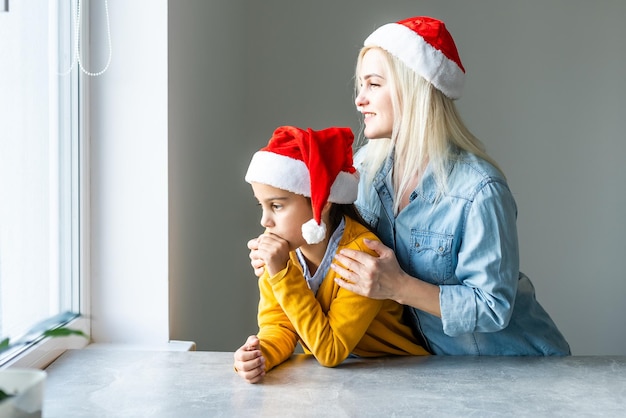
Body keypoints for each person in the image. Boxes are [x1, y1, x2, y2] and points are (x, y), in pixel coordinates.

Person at [327, 16, 571, 355]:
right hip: (440, 371)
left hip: (516, 369)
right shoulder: (365, 170)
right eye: (360, 85)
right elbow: (327, 246)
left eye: (374, 84)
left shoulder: (479, 190)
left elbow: (492, 306)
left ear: (413, 89)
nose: (359, 100)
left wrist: (399, 286)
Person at [234, 126, 429, 384]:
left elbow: (331, 350)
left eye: (277, 206)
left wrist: (282, 274)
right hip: (337, 383)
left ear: (322, 203)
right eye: (262, 205)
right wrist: (261, 355)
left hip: (401, 378)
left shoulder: (361, 254)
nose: (265, 221)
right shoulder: (285, 252)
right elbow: (279, 326)